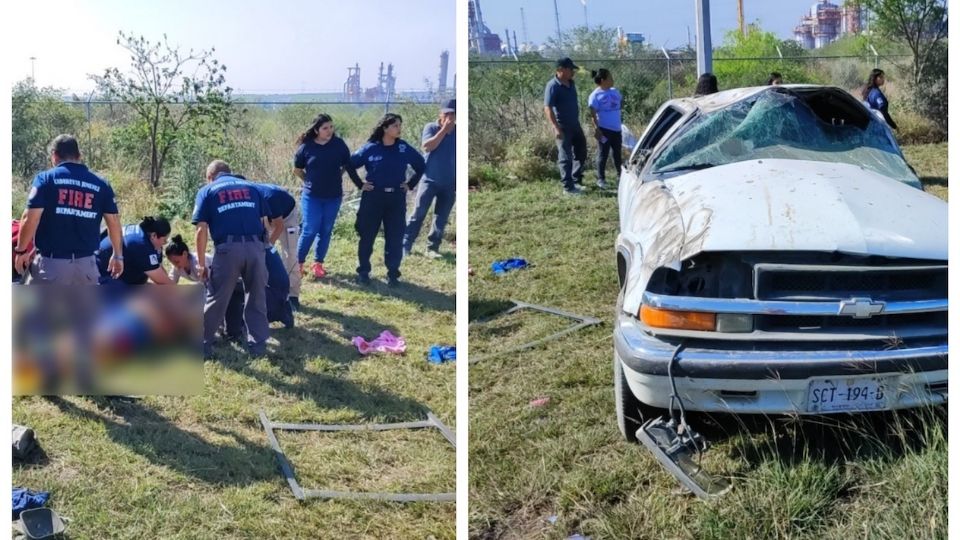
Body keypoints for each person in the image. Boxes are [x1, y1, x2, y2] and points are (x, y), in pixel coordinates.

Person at [14, 135, 124, 285]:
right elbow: (114, 221)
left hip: (51, 265)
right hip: (87, 266)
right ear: (79, 156)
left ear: (54, 156)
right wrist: (118, 255)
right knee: (85, 309)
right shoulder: (101, 184)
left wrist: (21, 250)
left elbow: (30, 218)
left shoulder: (45, 179)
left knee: (42, 308)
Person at [192, 159, 270, 357]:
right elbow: (264, 222)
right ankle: (258, 345)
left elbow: (201, 230)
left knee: (217, 296)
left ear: (210, 177)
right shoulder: (252, 188)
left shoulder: (207, 191)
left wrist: (201, 264)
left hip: (228, 250)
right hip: (255, 247)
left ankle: (202, 345)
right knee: (256, 296)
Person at [350, 113, 426, 286]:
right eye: (395, 126)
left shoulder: (403, 148)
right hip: (373, 197)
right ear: (385, 128)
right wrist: (360, 184)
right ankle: (363, 272)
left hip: (396, 198)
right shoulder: (371, 148)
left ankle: (393, 274)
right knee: (367, 236)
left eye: (400, 125)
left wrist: (410, 184)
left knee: (395, 236)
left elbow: (421, 165)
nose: (399, 129)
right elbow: (350, 164)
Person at [165, 235, 293, 331]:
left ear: (185, 254)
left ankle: (281, 310)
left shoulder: (201, 262)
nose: (175, 266)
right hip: (218, 287)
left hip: (234, 283)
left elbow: (215, 289)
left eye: (176, 261)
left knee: (249, 314)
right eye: (172, 263)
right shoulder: (178, 268)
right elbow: (170, 284)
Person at [293, 114, 363, 285]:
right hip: (312, 197)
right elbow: (297, 169)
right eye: (325, 128)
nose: (330, 130)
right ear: (316, 130)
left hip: (333, 196)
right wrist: (309, 181)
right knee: (310, 229)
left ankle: (318, 264)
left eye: (331, 127)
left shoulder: (338, 145)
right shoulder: (306, 148)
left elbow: (348, 166)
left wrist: (361, 184)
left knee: (326, 229)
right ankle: (297, 264)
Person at [403, 98, 456, 258]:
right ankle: (405, 244)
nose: (450, 117)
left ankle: (432, 247)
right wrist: (443, 131)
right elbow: (427, 146)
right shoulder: (431, 127)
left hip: (449, 182)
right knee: (418, 213)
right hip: (429, 179)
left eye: (454, 114)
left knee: (441, 217)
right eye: (447, 113)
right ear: (441, 113)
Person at [253, 183, 301, 309]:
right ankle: (267, 290)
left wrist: (268, 247)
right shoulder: (249, 196)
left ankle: (292, 296)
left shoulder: (270, 198)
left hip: (286, 217)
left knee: (290, 254)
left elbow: (279, 226)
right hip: (267, 217)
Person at [544, 57, 587, 195]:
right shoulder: (553, 86)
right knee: (565, 157)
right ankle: (568, 188)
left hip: (575, 124)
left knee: (581, 151)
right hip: (562, 126)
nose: (573, 72)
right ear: (561, 69)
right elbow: (548, 108)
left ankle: (575, 180)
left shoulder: (571, 83)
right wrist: (556, 128)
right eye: (570, 69)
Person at [96, 216, 175, 285]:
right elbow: (162, 281)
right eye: (164, 240)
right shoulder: (141, 244)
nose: (164, 243)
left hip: (118, 274)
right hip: (102, 275)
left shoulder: (144, 235)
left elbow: (159, 270)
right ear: (154, 235)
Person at [587, 69, 623, 190]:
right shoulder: (595, 96)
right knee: (603, 154)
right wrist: (597, 129)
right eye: (610, 78)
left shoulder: (615, 91)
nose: (613, 80)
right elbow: (593, 115)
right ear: (603, 80)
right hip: (604, 130)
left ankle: (620, 176)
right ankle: (601, 179)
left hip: (617, 130)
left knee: (617, 154)